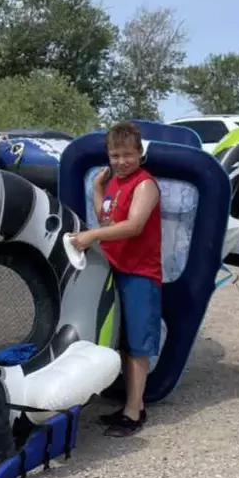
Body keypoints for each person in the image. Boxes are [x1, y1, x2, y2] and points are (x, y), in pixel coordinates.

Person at [70, 122, 162, 437]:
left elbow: (134, 226)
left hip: (139, 274)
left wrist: (90, 236)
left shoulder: (144, 184)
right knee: (123, 341)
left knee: (137, 345)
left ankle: (135, 412)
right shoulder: (114, 184)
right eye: (114, 155)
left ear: (140, 153)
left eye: (127, 155)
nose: (121, 161)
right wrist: (97, 190)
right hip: (116, 269)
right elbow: (107, 220)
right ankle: (128, 404)